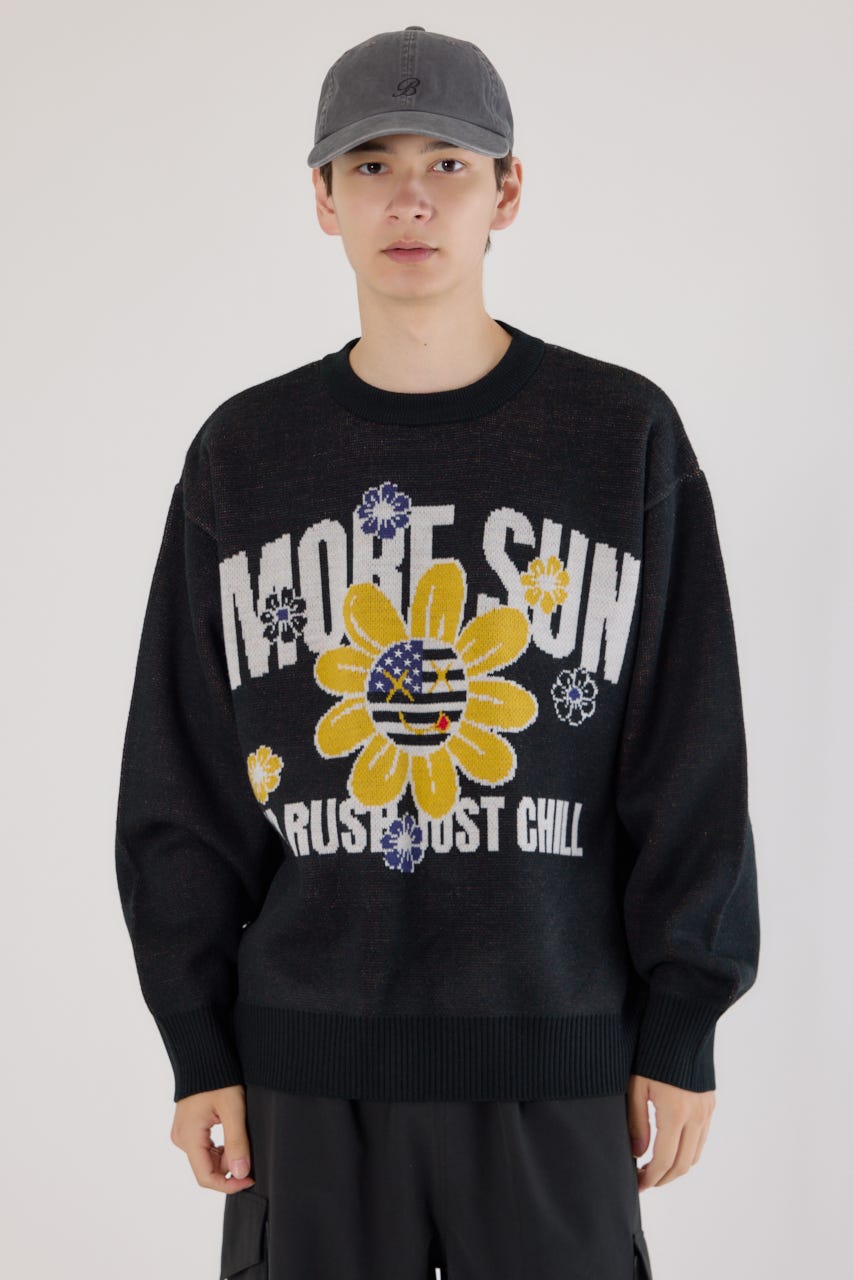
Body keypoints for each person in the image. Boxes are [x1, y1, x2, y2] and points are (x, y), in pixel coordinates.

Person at [114, 25, 760, 1280]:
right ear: (323, 198)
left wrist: (683, 1021)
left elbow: (691, 750)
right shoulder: (244, 455)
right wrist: (196, 1043)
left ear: (506, 191)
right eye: (370, 164)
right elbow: (180, 774)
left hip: (556, 1059)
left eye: (448, 164)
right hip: (302, 1073)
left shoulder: (619, 434)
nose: (409, 198)